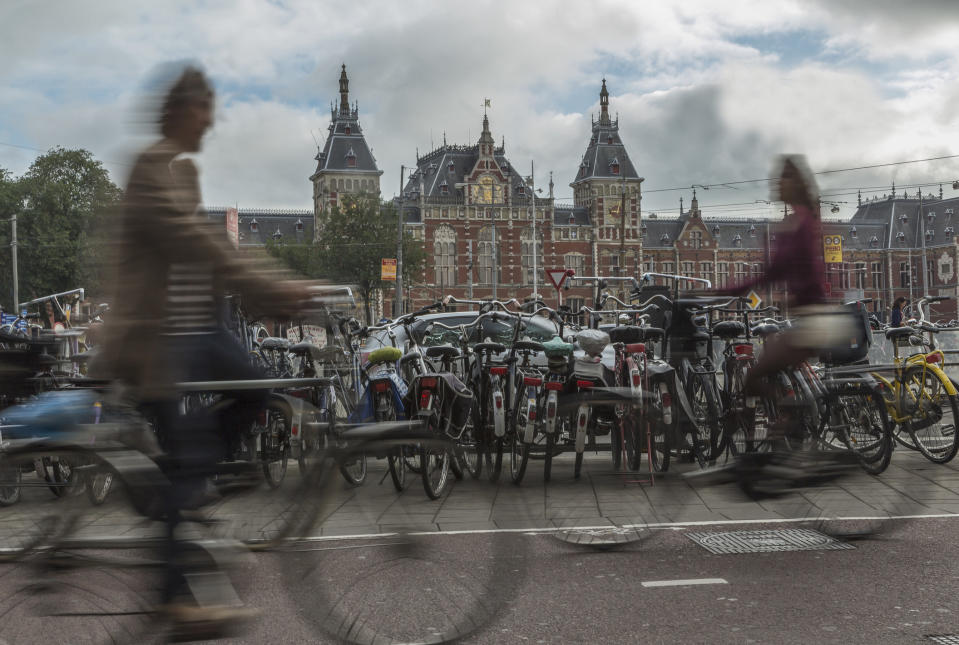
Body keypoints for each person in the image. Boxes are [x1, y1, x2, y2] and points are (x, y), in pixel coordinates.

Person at [94, 63, 311, 634]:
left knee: (261, 389)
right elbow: (188, 239)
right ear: (178, 112)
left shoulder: (182, 172)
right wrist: (274, 285)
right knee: (184, 462)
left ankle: (196, 483)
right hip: (152, 338)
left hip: (197, 328)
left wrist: (270, 293)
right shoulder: (148, 169)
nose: (210, 124)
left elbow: (210, 257)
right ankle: (176, 597)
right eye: (203, 112)